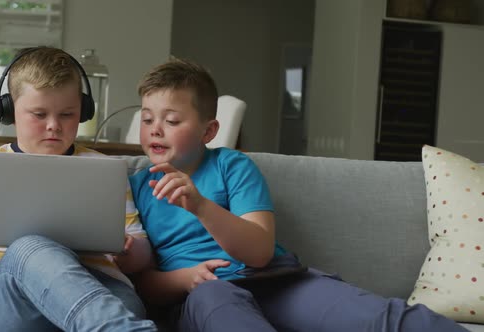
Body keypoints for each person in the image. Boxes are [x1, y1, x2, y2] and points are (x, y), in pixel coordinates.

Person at [128, 58, 467, 332]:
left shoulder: (231, 165)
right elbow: (143, 284)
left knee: (377, 317)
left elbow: (260, 252)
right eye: (147, 119)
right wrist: (185, 279)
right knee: (220, 303)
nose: (155, 128)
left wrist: (200, 205)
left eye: (171, 120)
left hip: (276, 280)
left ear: (209, 130)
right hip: (204, 294)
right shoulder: (136, 187)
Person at [0, 46, 157, 332]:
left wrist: (130, 250)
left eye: (67, 114)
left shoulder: (105, 170)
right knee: (29, 247)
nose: (54, 126)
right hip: (19, 300)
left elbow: (141, 256)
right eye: (39, 114)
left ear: (82, 111)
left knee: (117, 301)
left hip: (103, 289)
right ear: (9, 111)